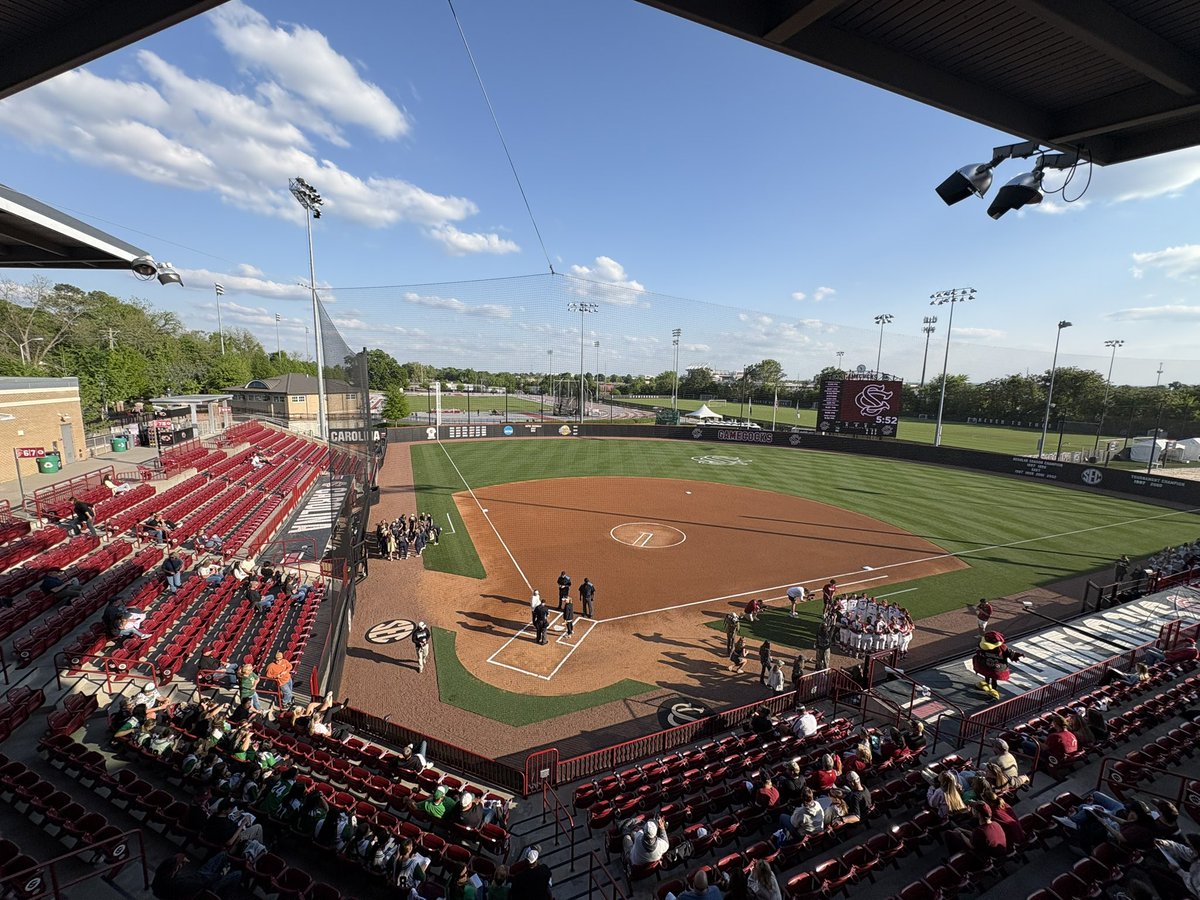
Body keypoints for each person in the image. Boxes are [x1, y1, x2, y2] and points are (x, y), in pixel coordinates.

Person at [973, 630, 1022, 699]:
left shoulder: (1002, 648)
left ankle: (994, 690)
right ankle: (986, 684)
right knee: (987, 675)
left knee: (994, 678)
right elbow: (978, 650)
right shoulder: (982, 645)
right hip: (986, 665)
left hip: (996, 668)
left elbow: (1009, 653)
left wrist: (1015, 655)